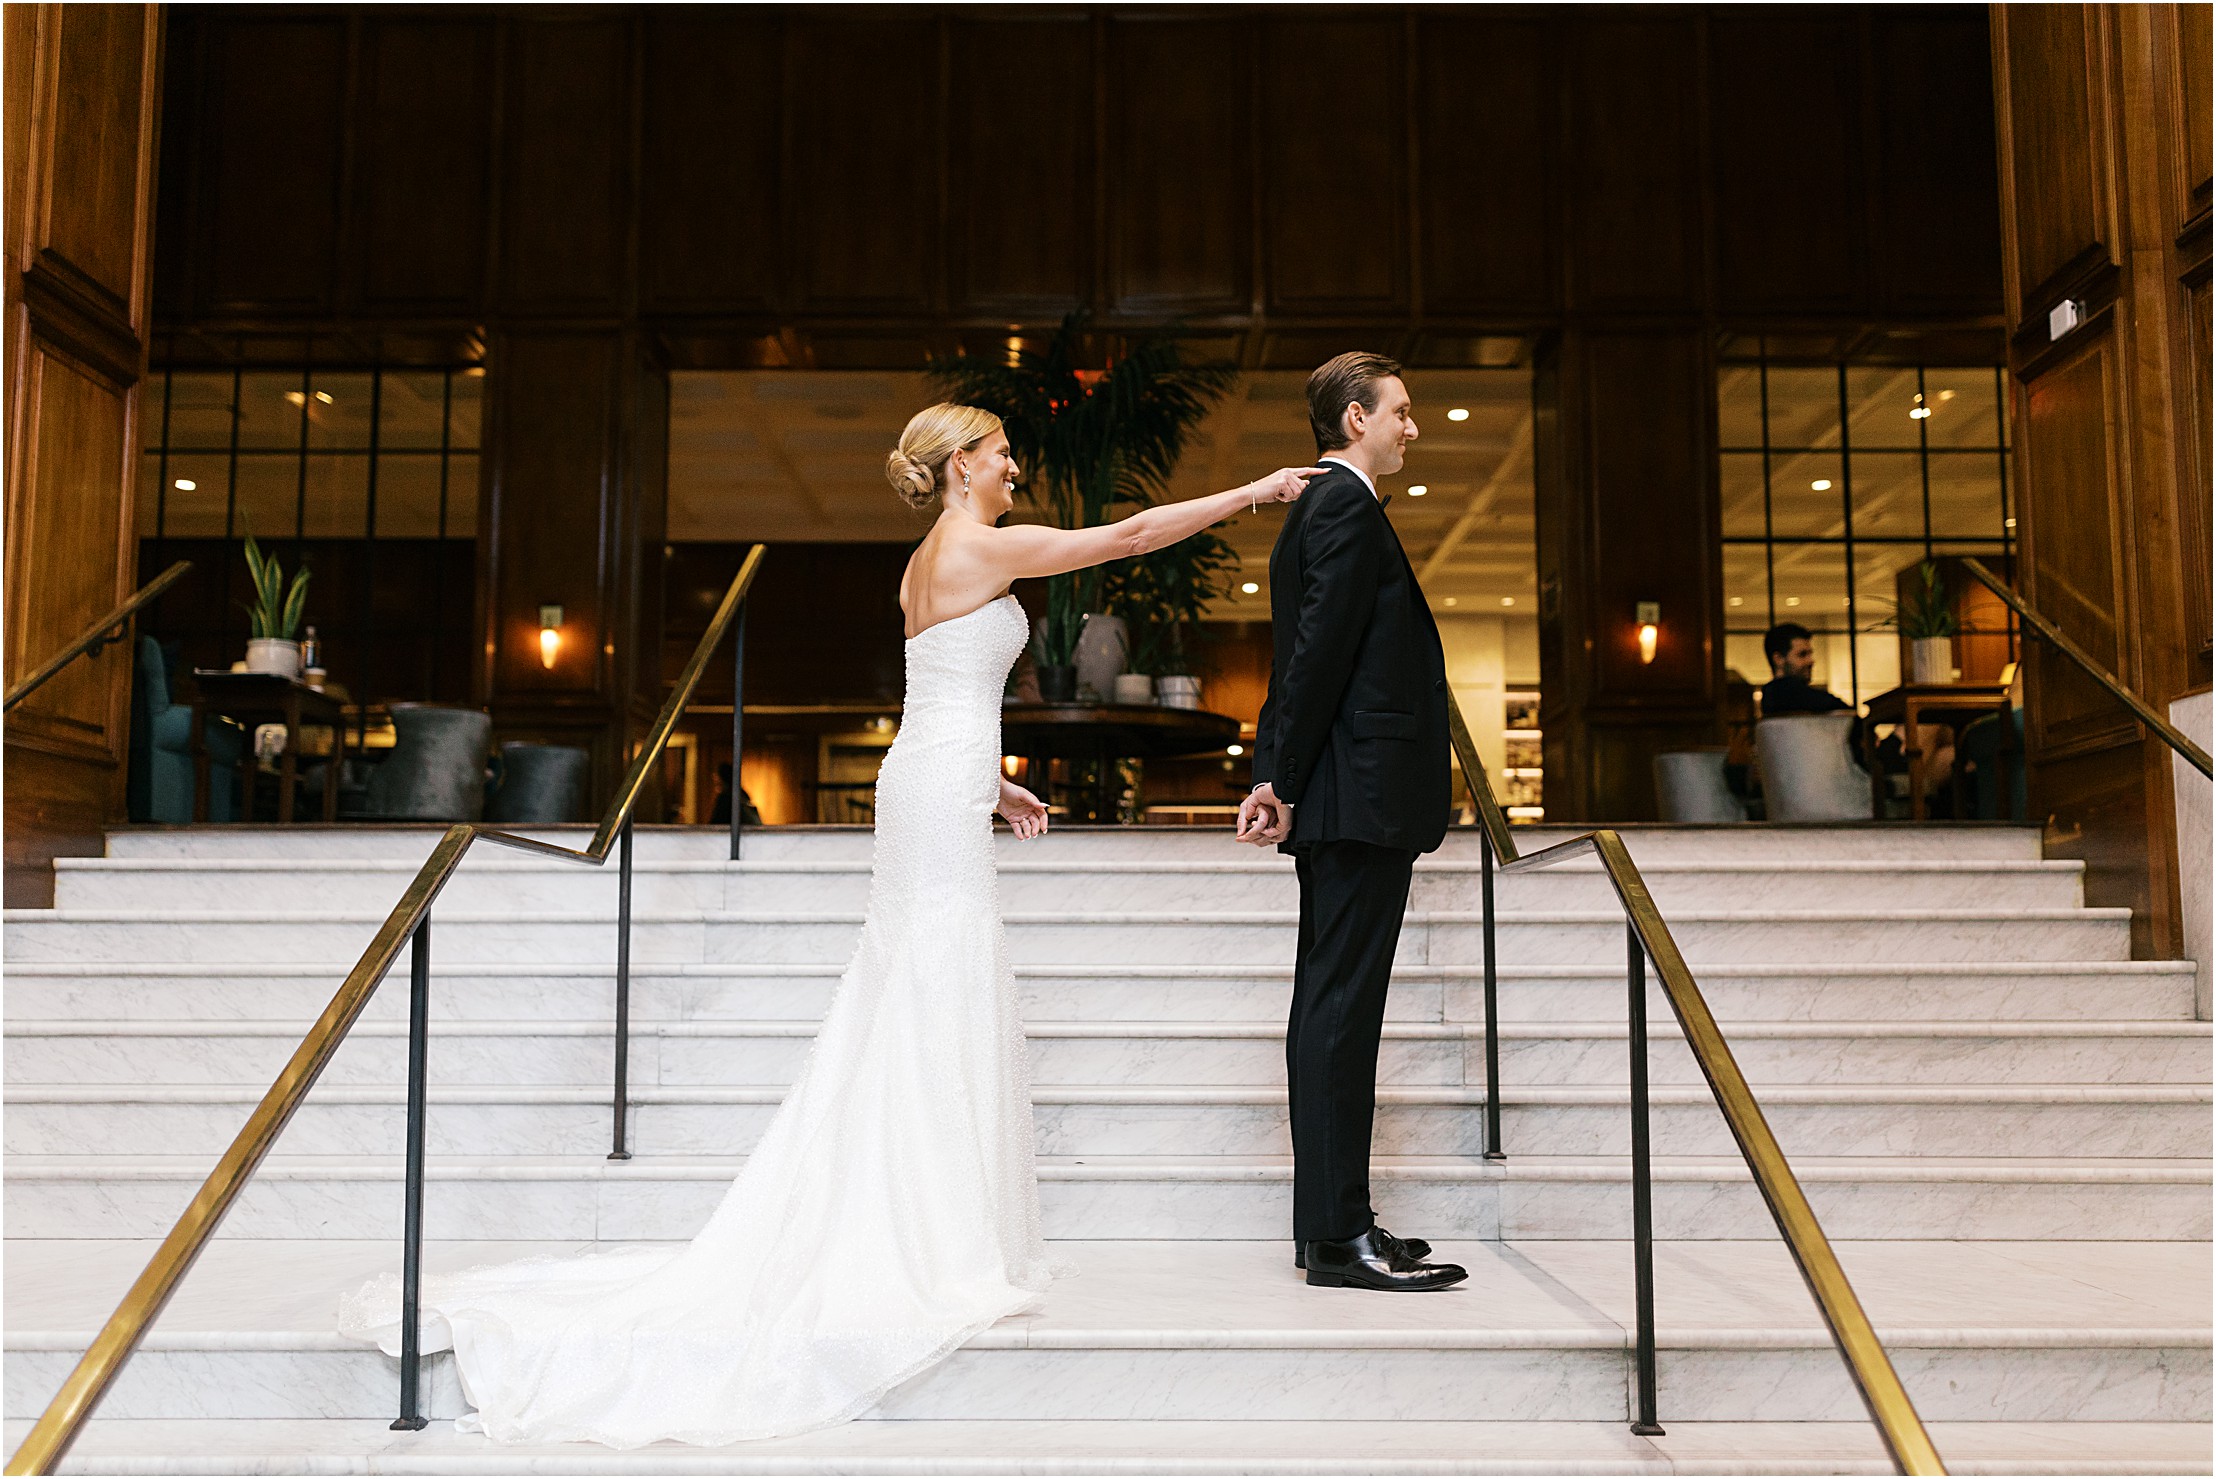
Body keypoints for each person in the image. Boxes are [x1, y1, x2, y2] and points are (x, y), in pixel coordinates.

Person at [339, 403, 1320, 1447]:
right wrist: (1252, 494)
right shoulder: (977, 548)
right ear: (958, 472)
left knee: (920, 979)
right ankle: (923, 1232)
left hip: (934, 778)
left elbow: (939, 693)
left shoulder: (928, 559)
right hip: (932, 789)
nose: (1014, 463)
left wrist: (991, 781)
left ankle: (930, 1210)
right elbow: (1124, 537)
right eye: (998, 452)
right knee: (934, 972)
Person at [1236, 352, 1468, 1293]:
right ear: (1356, 418)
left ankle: (1338, 1224)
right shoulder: (1339, 504)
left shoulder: (1336, 508)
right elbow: (1316, 656)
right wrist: (1282, 777)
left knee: (1340, 1012)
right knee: (1338, 1015)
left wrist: (1273, 773)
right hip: (1355, 798)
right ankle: (1337, 1236)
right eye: (1402, 412)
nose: (1413, 426)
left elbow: (1299, 655)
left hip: (1352, 795)